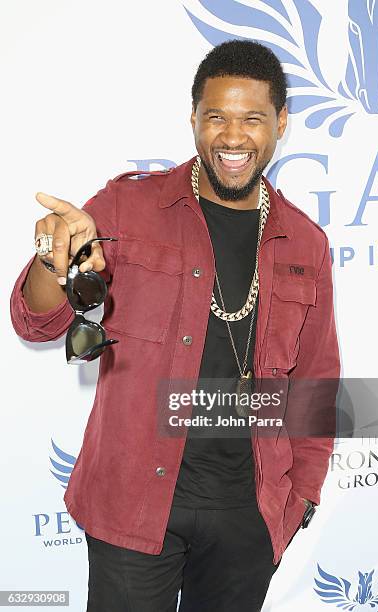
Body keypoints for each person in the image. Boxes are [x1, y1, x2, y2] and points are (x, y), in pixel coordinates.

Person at [10, 40, 340, 612]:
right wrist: (51, 259)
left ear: (281, 124)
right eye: (216, 117)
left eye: (252, 119)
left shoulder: (306, 242)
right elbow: (35, 323)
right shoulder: (124, 208)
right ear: (193, 119)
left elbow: (317, 379)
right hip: (134, 507)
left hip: (249, 518)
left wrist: (302, 497)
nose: (232, 137)